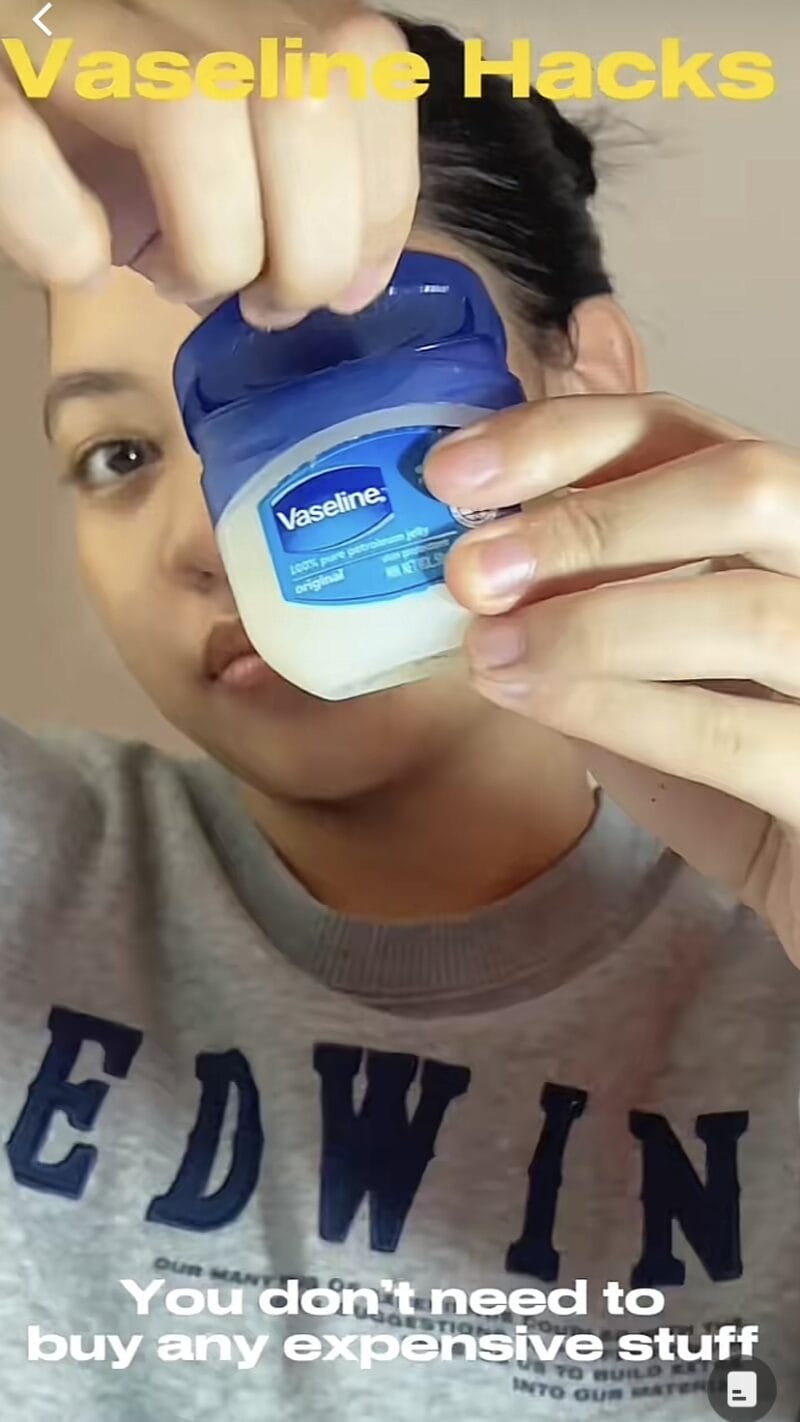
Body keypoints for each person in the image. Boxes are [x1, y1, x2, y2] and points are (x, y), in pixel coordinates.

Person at [2, 4, 800, 1419]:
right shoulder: (30, 867)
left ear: (589, 380)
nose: (214, 536)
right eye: (117, 454)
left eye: (326, 379)